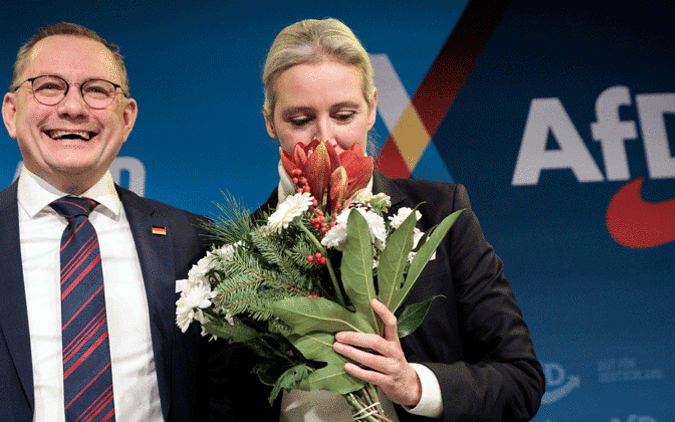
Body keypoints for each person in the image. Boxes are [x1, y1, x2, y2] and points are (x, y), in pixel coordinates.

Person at [228, 18, 545, 422]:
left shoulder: (441, 213)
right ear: (270, 122)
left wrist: (414, 385)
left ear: (372, 108)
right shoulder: (236, 250)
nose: (326, 138)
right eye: (300, 120)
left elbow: (521, 381)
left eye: (343, 115)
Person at [0, 22, 214, 421]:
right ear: (11, 113)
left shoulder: (193, 241)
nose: (73, 107)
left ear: (127, 117)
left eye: (96, 90)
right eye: (49, 86)